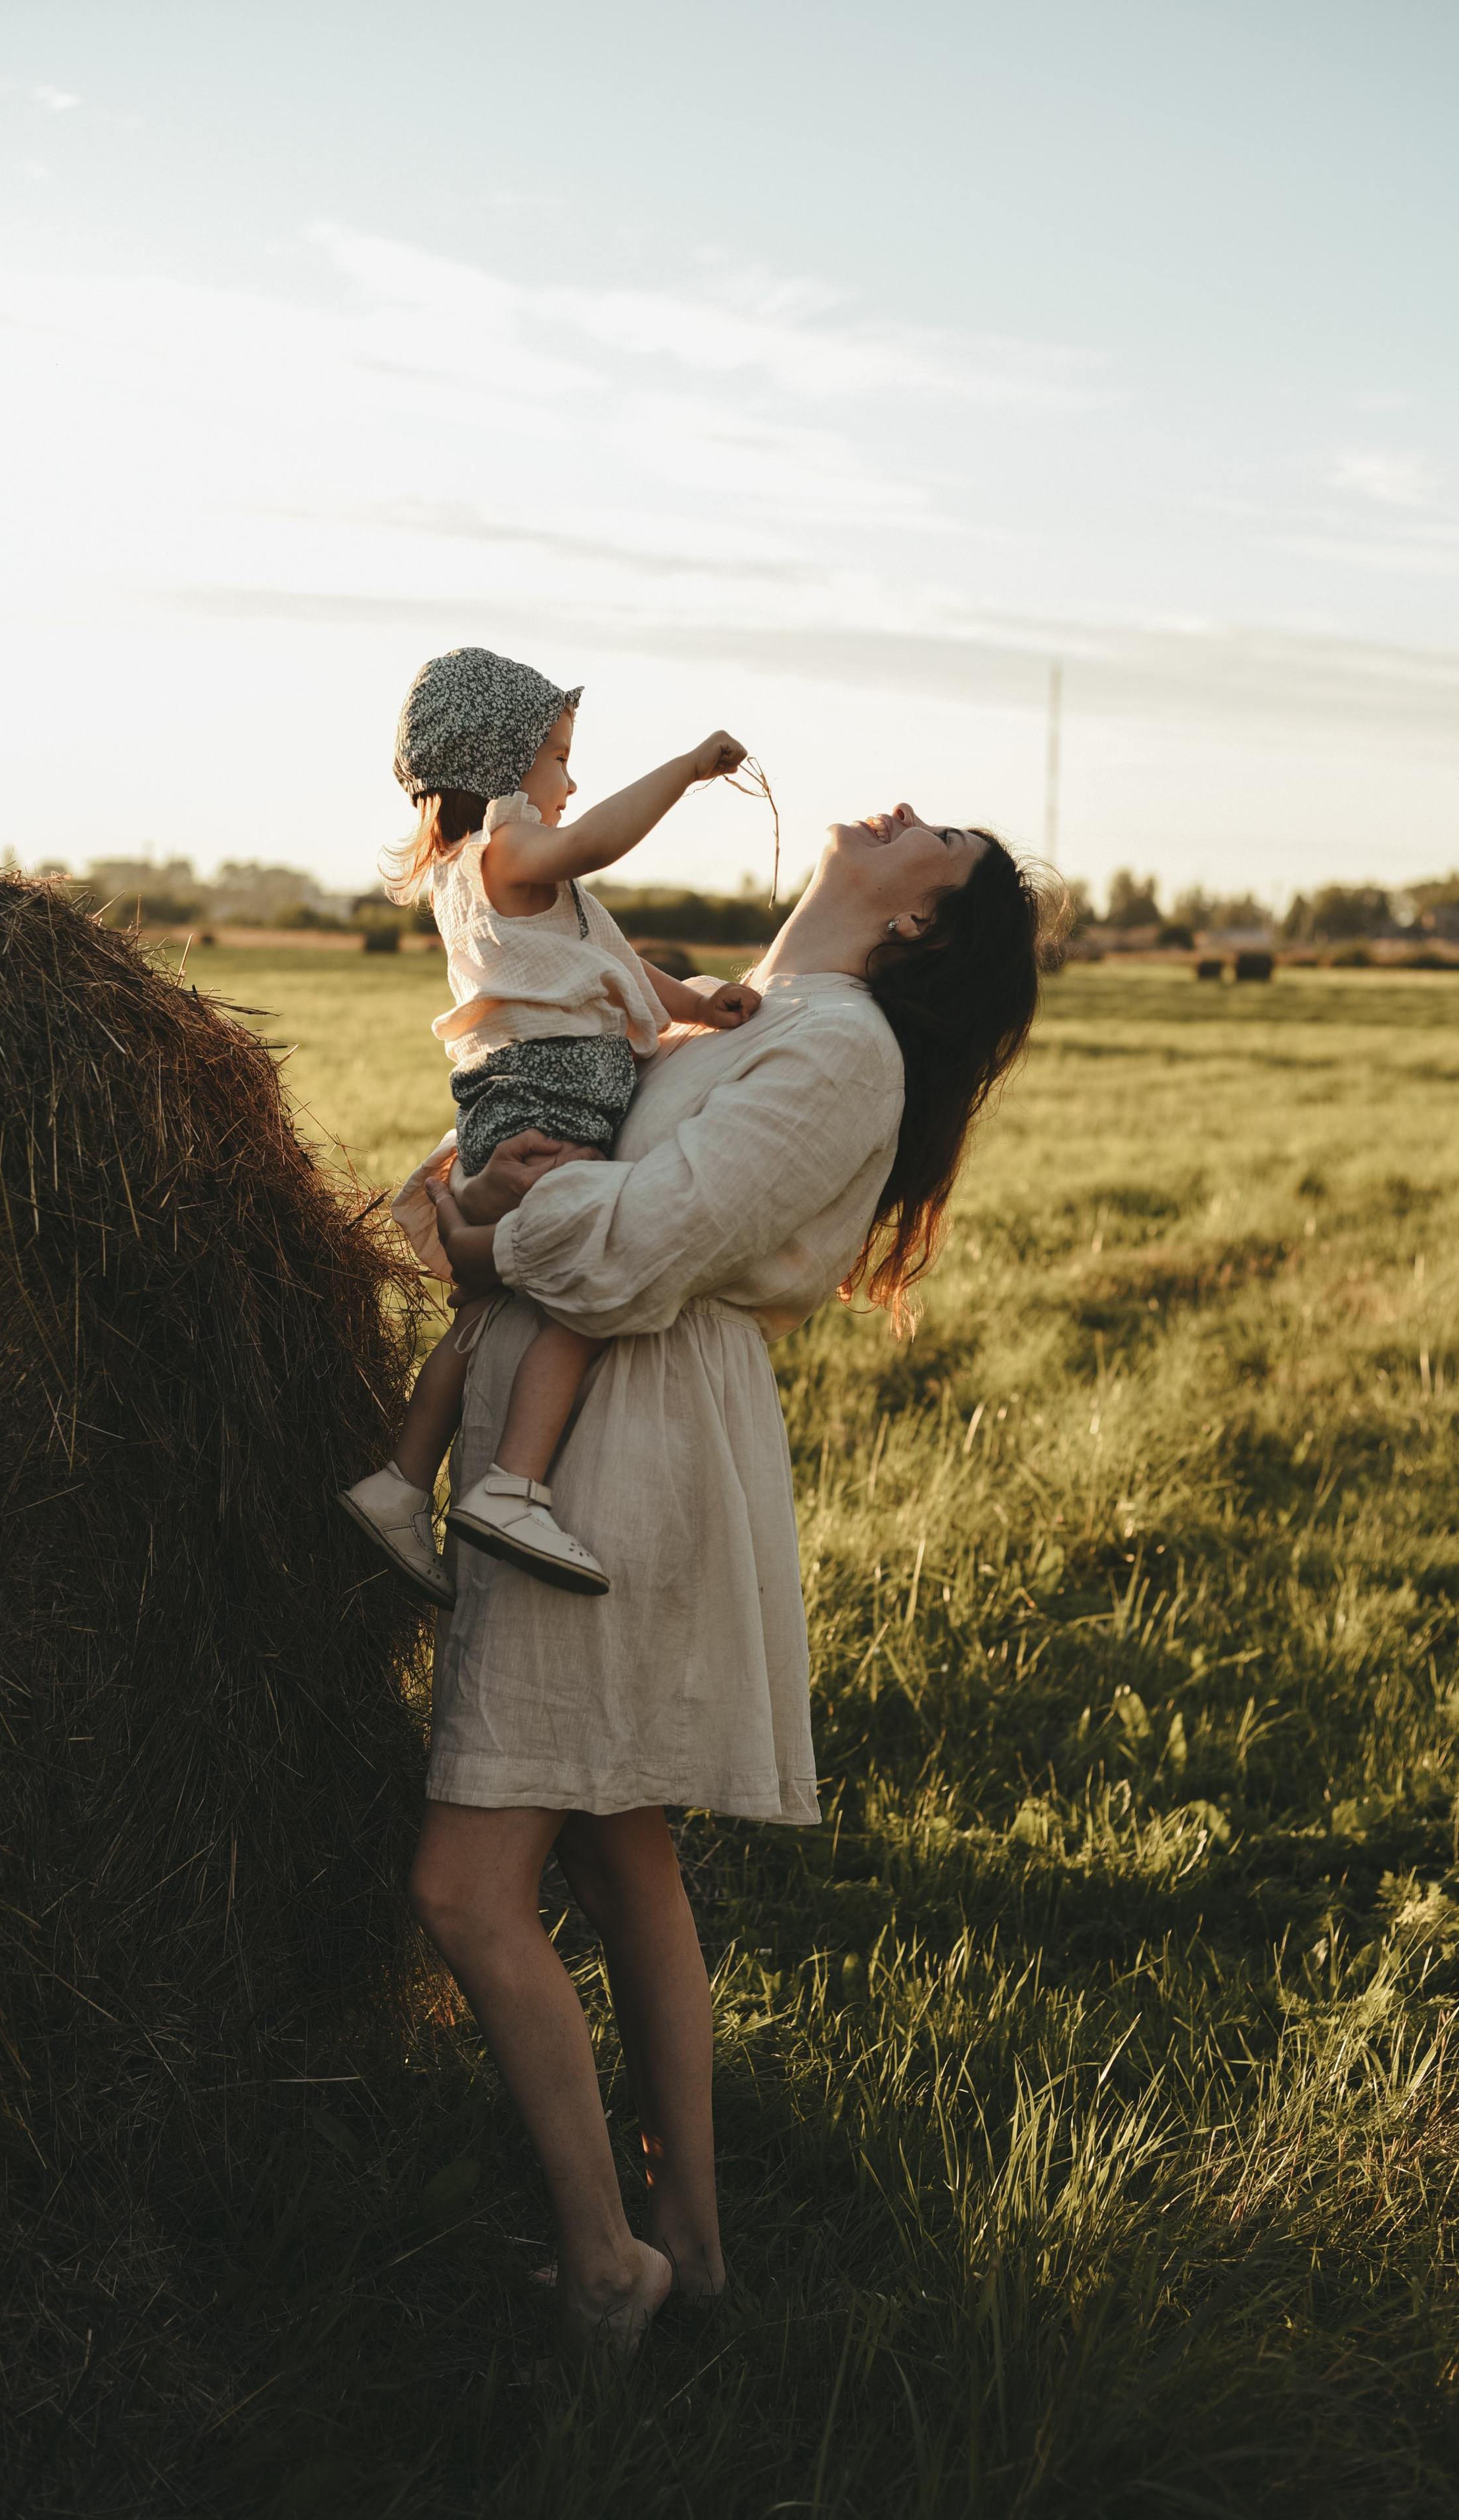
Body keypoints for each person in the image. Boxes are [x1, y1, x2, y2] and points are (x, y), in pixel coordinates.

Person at [406, 800, 1061, 2352]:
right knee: (614, 1849)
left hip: (623, 1457)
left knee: (462, 1886)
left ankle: (605, 2264)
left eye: (938, 836)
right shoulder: (740, 1017)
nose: (901, 811)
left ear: (918, 921)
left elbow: (638, 1248)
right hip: (580, 1429)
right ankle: (689, 2246)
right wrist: (477, 1185)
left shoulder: (839, 1052)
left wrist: (488, 1230)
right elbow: (536, 1154)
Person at [338, 647, 760, 1605]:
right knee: (588, 1283)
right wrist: (687, 770)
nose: (572, 783)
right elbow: (596, 844)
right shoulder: (506, 855)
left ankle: (400, 1484)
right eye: (559, 758)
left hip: (521, 1104)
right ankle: (513, 1487)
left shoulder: (506, 883)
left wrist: (698, 1006)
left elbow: (608, 966)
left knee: (484, 1317)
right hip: (548, 1110)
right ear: (498, 764)